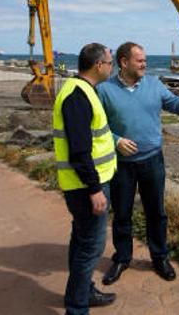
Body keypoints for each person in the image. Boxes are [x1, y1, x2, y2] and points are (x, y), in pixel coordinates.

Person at [98, 41, 179, 285]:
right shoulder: (104, 90)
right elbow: (98, 126)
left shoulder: (154, 84)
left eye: (145, 60)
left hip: (152, 161)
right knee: (122, 214)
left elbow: (176, 107)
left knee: (156, 212)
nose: (145, 64)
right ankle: (122, 258)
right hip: (122, 164)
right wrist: (116, 141)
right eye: (139, 60)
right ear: (124, 62)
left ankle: (159, 257)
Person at [53, 43, 117, 314]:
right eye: (110, 62)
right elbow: (80, 150)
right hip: (86, 186)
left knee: (81, 241)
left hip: (84, 183)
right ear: (98, 65)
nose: (111, 67)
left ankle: (82, 293)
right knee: (90, 247)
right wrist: (94, 189)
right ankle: (77, 308)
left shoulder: (81, 90)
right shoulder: (78, 96)